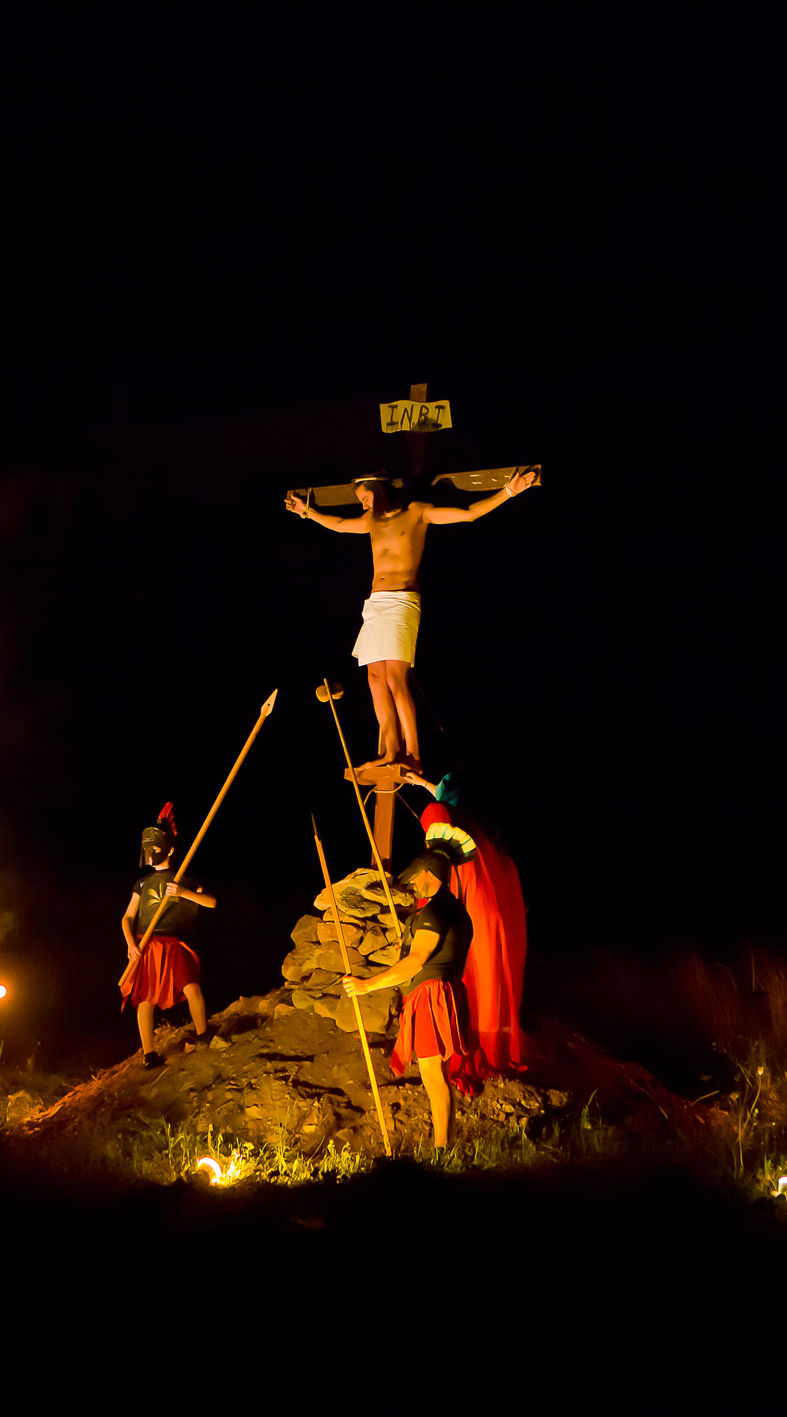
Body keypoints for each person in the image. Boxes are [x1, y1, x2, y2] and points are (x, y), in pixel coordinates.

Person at [283, 468, 538, 769]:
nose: (363, 505)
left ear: (378, 491)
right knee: (375, 677)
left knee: (395, 676)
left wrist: (509, 491)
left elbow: (468, 513)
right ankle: (390, 750)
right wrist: (307, 511)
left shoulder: (416, 513)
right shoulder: (371, 521)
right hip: (375, 604)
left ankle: (413, 753)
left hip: (402, 600)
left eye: (365, 498)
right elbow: (338, 524)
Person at [343, 821, 481, 1148]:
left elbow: (416, 960)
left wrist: (367, 985)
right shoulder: (454, 910)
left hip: (432, 994)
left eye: (416, 878)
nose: (414, 885)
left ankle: (442, 1151)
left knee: (434, 1075)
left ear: (430, 873)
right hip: (445, 992)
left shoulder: (435, 910)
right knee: (439, 1075)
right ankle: (444, 1148)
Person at [401, 770, 527, 1078]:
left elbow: (440, 814)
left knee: (469, 972)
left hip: (473, 912)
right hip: (492, 913)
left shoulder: (446, 832)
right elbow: (446, 798)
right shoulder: (483, 838)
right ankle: (489, 1039)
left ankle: (464, 1042)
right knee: (491, 973)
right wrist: (423, 783)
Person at [119, 803, 215, 1068]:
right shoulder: (141, 883)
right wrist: (130, 944)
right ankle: (150, 1055)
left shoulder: (185, 878)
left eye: (156, 848)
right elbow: (128, 917)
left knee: (192, 987)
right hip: (147, 944)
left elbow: (211, 902)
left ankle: (203, 1035)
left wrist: (184, 893)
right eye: (148, 849)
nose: (150, 854)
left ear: (170, 850)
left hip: (177, 942)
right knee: (144, 999)